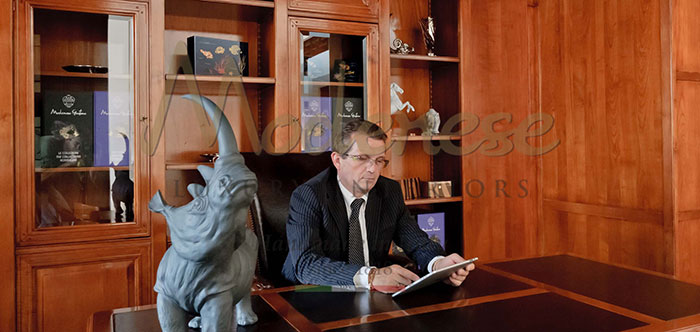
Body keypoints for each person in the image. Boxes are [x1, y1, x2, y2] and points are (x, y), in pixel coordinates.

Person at [282, 119, 475, 293]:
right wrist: (371, 276)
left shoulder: (389, 191)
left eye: (379, 160)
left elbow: (417, 243)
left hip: (373, 295)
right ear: (338, 160)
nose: (372, 169)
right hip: (315, 292)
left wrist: (439, 264)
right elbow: (306, 264)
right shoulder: (309, 195)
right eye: (362, 158)